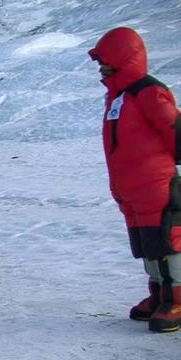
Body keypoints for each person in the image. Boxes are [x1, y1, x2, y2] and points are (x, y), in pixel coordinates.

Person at [88, 27, 181, 333]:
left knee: (168, 244)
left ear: (122, 57)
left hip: (156, 186)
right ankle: (159, 296)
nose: (101, 67)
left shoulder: (147, 90)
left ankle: (176, 300)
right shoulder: (118, 97)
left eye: (105, 60)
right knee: (148, 246)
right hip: (131, 191)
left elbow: (173, 126)